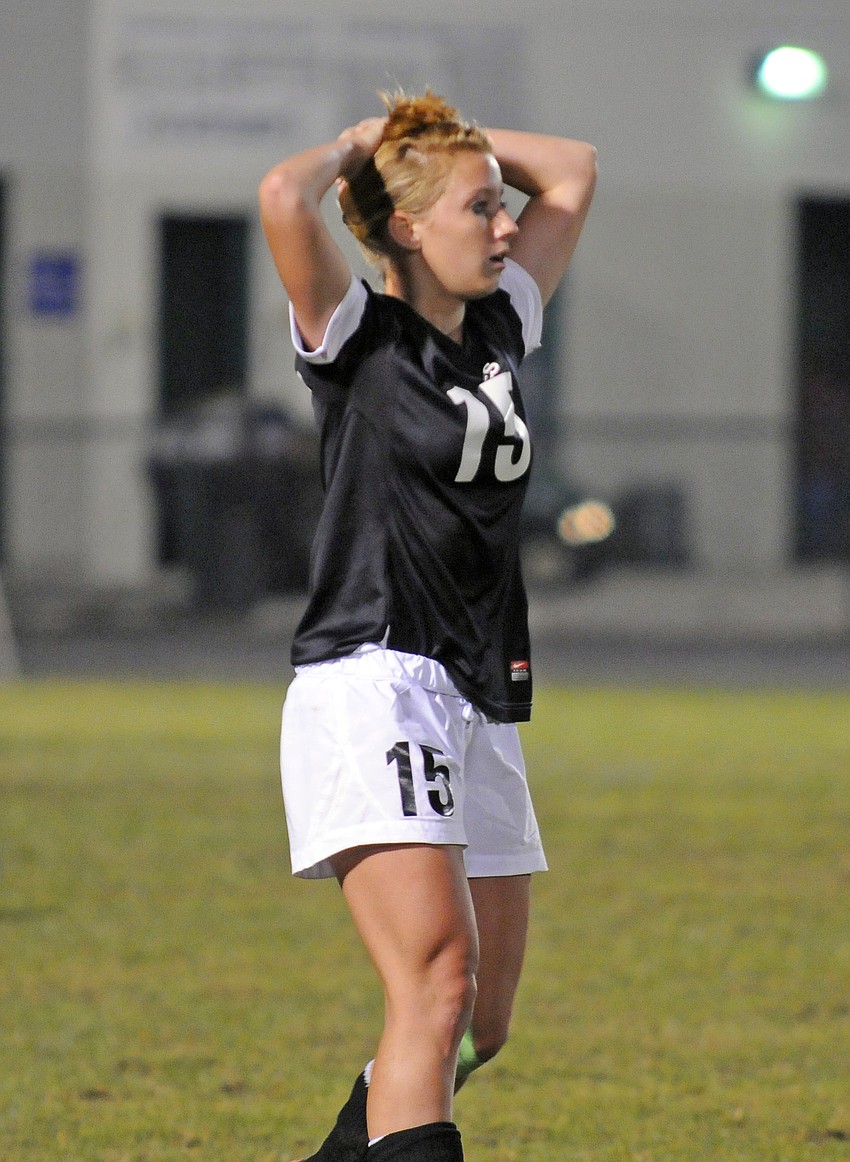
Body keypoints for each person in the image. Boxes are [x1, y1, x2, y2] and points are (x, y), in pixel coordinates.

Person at [258, 90, 597, 1162]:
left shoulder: (502, 322)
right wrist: (366, 148)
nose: (506, 226)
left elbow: (577, 167)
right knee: (435, 982)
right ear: (407, 226)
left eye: (504, 208)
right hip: (374, 675)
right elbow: (280, 194)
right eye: (478, 208)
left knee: (479, 1022)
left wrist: (451, 140)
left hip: (477, 690)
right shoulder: (362, 336)